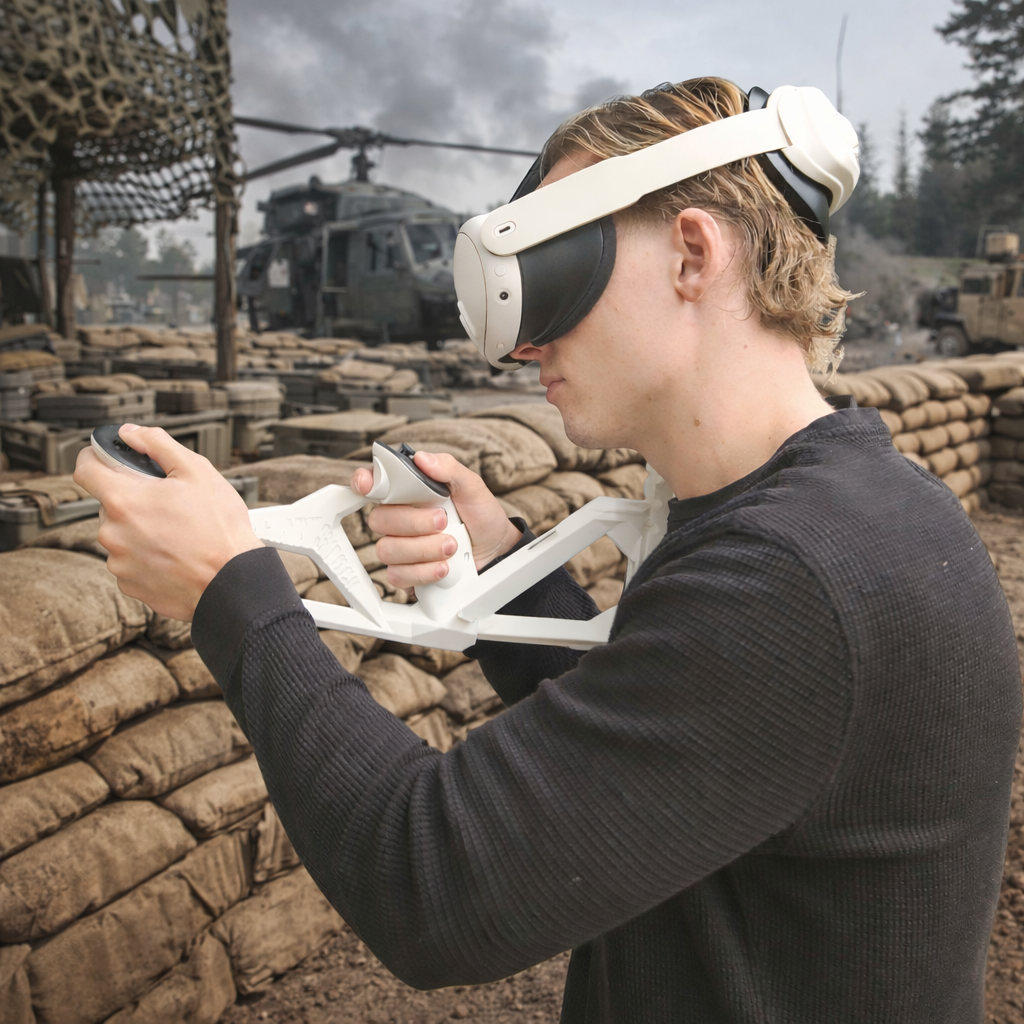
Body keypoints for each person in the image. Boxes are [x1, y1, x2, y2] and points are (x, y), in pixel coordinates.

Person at [75, 78, 1021, 1023]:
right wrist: (497, 561)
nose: (523, 346)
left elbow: (432, 885)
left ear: (694, 254)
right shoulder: (831, 514)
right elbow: (662, 750)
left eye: (558, 269)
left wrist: (230, 593)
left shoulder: (794, 576)